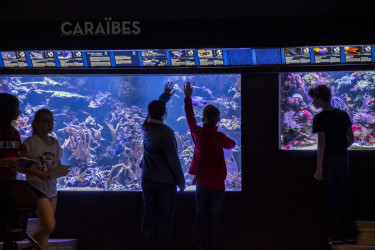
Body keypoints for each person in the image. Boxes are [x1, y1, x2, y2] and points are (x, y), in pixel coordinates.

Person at [184, 82, 236, 250]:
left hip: (201, 183)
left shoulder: (197, 134)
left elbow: (190, 117)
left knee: (199, 216)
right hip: (218, 185)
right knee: (215, 218)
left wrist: (187, 97)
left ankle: (196, 245)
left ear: (203, 119)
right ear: (219, 120)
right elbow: (232, 144)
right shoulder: (220, 136)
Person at [309, 84, 356, 245]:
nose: (313, 102)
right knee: (345, 195)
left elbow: (321, 143)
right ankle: (350, 234)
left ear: (320, 100)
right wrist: (342, 148)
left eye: (314, 99)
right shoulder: (343, 114)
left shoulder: (319, 118)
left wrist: (319, 168)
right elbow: (352, 139)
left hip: (328, 161)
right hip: (343, 159)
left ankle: (336, 235)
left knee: (331, 197)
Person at [140, 82, 185, 250]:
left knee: (148, 215)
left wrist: (164, 97)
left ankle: (145, 247)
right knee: (166, 217)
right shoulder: (166, 133)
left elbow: (153, 112)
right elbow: (173, 159)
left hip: (147, 180)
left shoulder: (145, 127)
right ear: (165, 114)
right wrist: (181, 181)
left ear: (149, 114)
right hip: (166, 182)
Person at [20, 109, 64, 250]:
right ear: (36, 123)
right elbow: (21, 165)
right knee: (49, 224)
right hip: (35, 187)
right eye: (46, 121)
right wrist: (37, 173)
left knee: (46, 230)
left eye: (52, 121)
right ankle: (27, 247)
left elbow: (57, 164)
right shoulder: (30, 142)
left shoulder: (55, 143)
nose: (50, 124)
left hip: (51, 188)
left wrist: (59, 171)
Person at [0, 93, 22, 181]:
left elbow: (17, 155)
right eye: (17, 108)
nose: (19, 112)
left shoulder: (14, 133)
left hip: (10, 182)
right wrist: (8, 161)